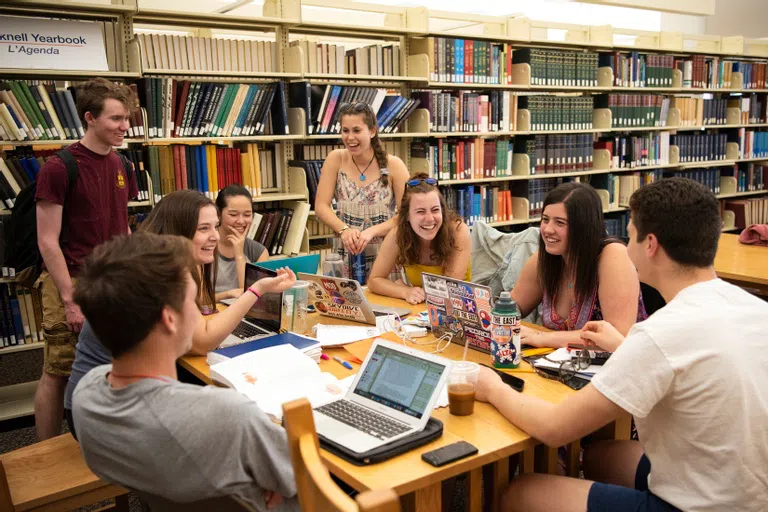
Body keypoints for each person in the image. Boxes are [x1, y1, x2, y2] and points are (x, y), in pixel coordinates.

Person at [474, 177, 768, 512]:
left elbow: (555, 429)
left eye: (629, 234)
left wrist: (488, 386)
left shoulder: (660, 334)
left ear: (650, 244)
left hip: (695, 504)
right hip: (747, 492)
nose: (623, 245)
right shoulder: (756, 309)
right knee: (600, 456)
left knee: (519, 492)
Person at [72, 232, 299, 511]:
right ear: (169, 319)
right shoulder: (230, 414)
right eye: (192, 302)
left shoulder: (86, 397)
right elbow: (302, 476)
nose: (200, 313)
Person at [63, 190, 295, 438]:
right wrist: (256, 290)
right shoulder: (160, 272)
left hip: (99, 397)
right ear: (178, 231)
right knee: (235, 413)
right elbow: (203, 341)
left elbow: (201, 317)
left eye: (215, 226)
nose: (215, 236)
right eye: (203, 228)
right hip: (107, 410)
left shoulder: (160, 258)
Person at [34, 78, 139, 441]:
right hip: (72, 282)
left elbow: (122, 227)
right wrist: (69, 298)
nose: (124, 126)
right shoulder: (60, 167)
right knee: (58, 369)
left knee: (108, 363)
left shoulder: (121, 164)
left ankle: (97, 443)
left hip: (111, 283)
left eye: (126, 118)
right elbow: (47, 240)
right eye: (116, 119)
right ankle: (43, 456)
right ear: (90, 118)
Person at [510, 182, 645, 348]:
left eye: (559, 223)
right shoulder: (545, 257)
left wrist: (542, 338)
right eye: (545, 220)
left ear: (583, 227)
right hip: (554, 364)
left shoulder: (613, 256)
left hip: (610, 368)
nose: (547, 230)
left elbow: (619, 335)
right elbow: (511, 307)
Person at [314, 101, 409, 282]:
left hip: (385, 255)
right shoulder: (335, 159)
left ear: (372, 131)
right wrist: (344, 230)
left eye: (356, 130)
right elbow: (320, 206)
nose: (350, 137)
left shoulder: (394, 165)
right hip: (346, 253)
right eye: (345, 130)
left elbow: (406, 215)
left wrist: (371, 232)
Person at [368, 175, 471, 304]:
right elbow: (374, 280)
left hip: (459, 309)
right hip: (421, 310)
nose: (429, 219)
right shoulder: (398, 234)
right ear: (407, 216)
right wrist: (404, 291)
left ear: (443, 211)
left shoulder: (459, 231)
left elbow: (448, 290)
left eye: (435, 210)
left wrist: (400, 286)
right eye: (420, 212)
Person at [214, 184, 268, 301]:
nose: (241, 221)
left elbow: (251, 296)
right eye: (233, 215)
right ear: (218, 214)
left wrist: (239, 255)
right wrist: (228, 294)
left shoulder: (260, 252)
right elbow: (199, 300)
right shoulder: (205, 246)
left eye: (247, 215)